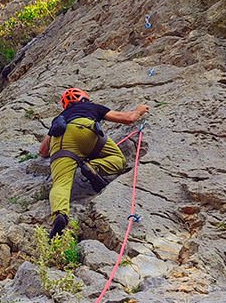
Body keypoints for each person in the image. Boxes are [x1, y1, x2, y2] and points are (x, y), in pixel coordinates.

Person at [38, 88, 149, 238]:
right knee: (118, 159)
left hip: (60, 139)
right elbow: (128, 118)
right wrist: (139, 110)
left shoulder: (60, 117)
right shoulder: (91, 107)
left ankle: (60, 214)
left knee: (61, 183)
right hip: (86, 130)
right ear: (84, 98)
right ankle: (92, 167)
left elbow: (43, 151)